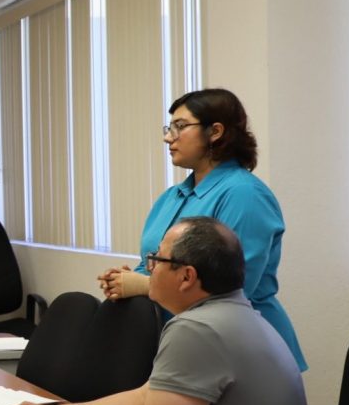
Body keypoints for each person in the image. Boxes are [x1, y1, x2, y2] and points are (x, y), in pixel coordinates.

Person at [0, 217, 324, 405]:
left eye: (157, 259)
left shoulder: (196, 328)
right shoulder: (240, 316)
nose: (149, 268)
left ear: (187, 277)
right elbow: (147, 397)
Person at [98, 88, 306, 370]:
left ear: (215, 131)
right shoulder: (171, 197)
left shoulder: (244, 194)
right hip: (182, 340)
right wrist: (125, 280)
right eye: (169, 127)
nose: (168, 137)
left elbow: (234, 287)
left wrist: (145, 286)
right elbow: (153, 265)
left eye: (180, 126)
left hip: (240, 346)